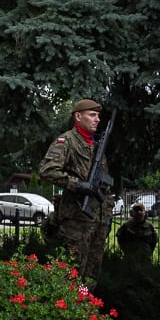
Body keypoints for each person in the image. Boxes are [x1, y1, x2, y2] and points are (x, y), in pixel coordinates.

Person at [38, 99, 114, 284]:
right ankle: (67, 311)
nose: (97, 119)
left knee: (91, 277)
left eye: (98, 116)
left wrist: (107, 214)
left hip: (98, 220)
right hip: (76, 222)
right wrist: (78, 185)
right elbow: (47, 171)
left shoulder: (96, 145)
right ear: (78, 117)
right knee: (71, 275)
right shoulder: (66, 141)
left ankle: (86, 310)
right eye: (92, 115)